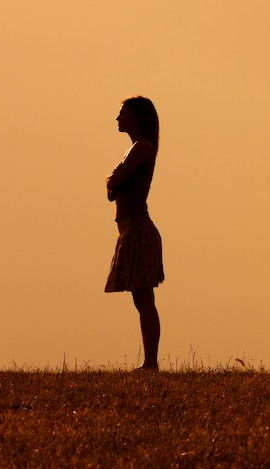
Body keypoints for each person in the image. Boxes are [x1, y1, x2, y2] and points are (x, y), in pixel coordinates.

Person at [105, 96, 165, 372]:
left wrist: (113, 180)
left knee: (144, 299)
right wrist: (114, 182)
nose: (119, 119)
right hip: (130, 229)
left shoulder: (141, 147)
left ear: (137, 118)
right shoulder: (137, 149)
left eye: (124, 114)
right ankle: (149, 362)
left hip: (138, 230)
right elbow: (113, 189)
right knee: (141, 299)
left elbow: (114, 182)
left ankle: (150, 362)